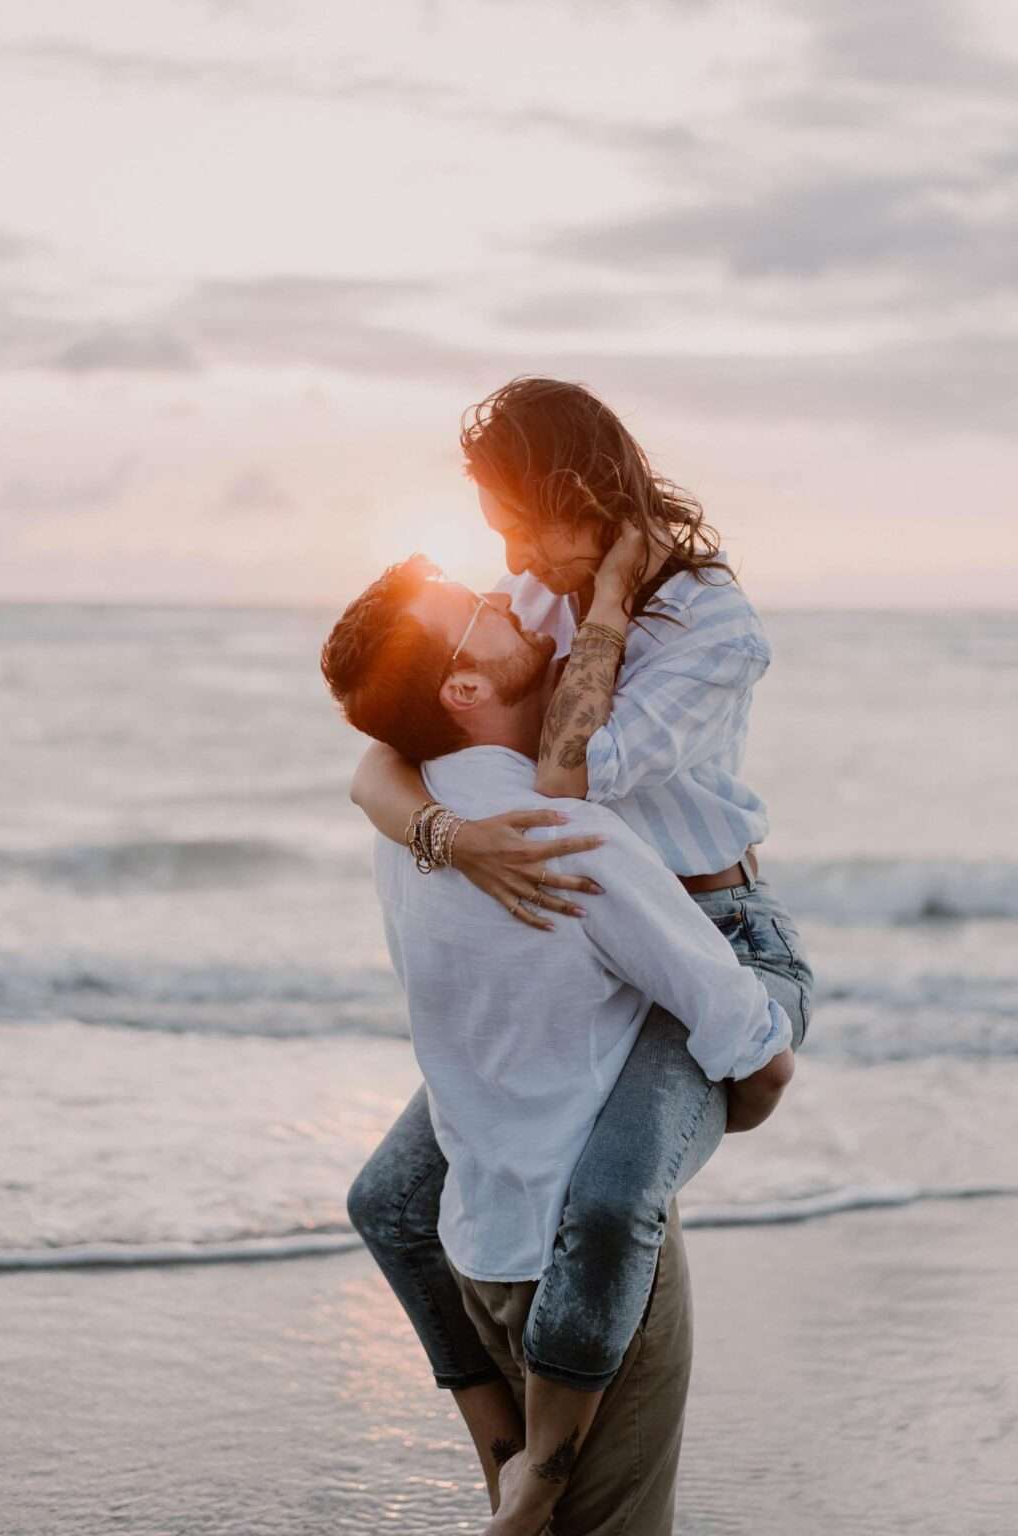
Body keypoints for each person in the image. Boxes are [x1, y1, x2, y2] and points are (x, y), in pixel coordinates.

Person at [321, 557, 797, 1533]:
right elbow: (742, 1033)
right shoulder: (560, 834)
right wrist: (743, 1094)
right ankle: (522, 1474)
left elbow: (377, 765)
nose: (507, 595)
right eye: (480, 611)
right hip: (575, 1257)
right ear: (461, 686)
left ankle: (512, 1464)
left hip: (481, 1244)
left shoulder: (412, 825)